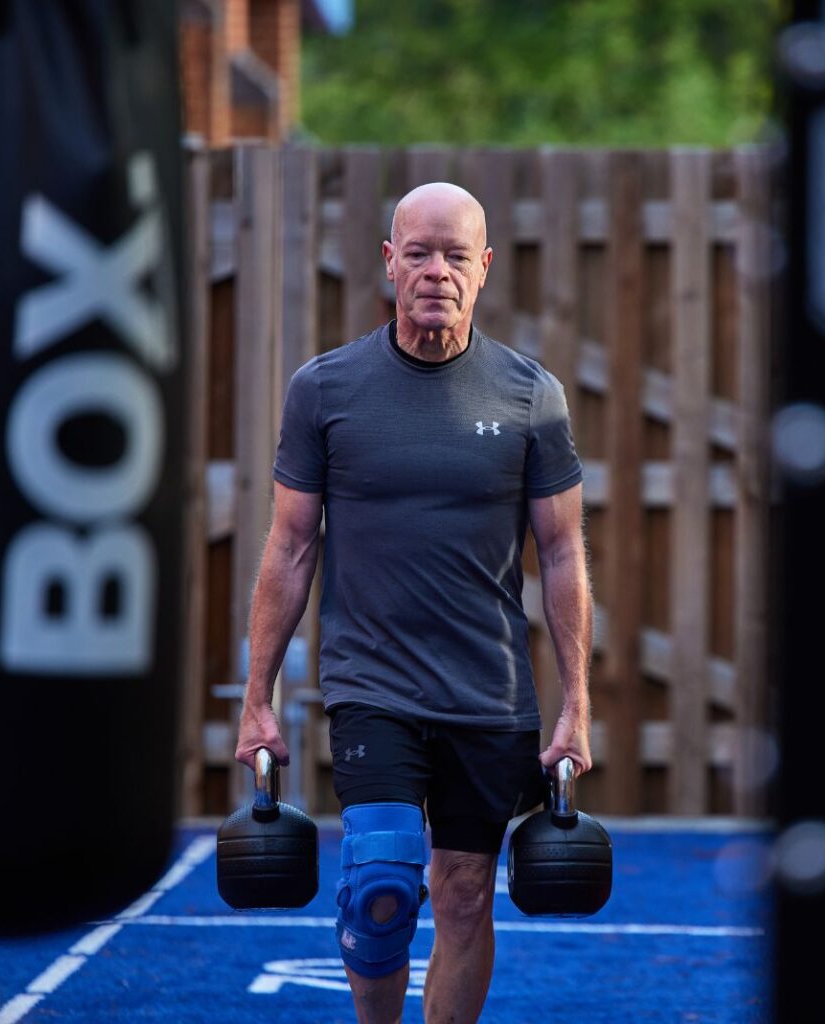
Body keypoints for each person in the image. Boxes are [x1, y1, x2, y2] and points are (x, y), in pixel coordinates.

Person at [235, 181, 593, 1024]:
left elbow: (564, 550)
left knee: (466, 893)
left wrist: (576, 704)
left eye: (456, 255)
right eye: (420, 253)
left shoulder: (529, 394)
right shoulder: (324, 390)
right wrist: (257, 698)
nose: (437, 271)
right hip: (373, 686)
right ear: (390, 263)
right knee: (382, 883)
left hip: (490, 692)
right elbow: (289, 546)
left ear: (484, 269)